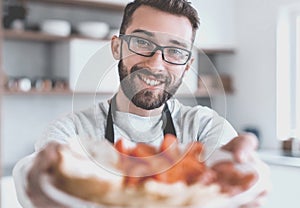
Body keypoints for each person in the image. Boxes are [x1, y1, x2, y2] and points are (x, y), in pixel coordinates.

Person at [13, 0, 269, 207]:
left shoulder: (204, 126)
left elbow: (235, 177)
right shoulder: (72, 132)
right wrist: (28, 173)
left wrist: (247, 171)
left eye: (176, 50)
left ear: (188, 65)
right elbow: (34, 173)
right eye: (142, 42)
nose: (156, 63)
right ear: (117, 47)